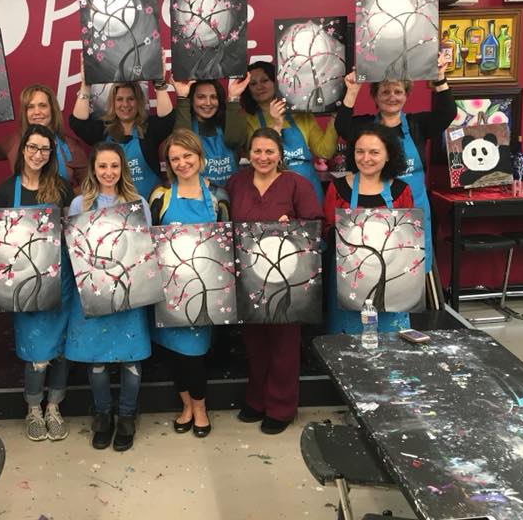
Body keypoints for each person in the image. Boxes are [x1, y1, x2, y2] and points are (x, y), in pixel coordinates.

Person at [226, 128, 323, 434]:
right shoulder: (236, 183)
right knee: (254, 343)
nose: (263, 157)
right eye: (257, 151)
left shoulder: (297, 184)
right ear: (248, 153)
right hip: (248, 278)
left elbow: (316, 227)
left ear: (280, 154)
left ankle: (281, 408)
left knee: (283, 345)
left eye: (269, 152)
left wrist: (293, 226)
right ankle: (256, 400)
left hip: (286, 280)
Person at [65, 143, 153, 452]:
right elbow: (74, 251)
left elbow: (146, 249)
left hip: (130, 292)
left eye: (114, 166)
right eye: (102, 166)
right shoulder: (80, 205)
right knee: (97, 361)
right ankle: (103, 414)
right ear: (93, 169)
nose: (108, 172)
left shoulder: (138, 202)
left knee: (131, 360)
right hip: (94, 294)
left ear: (122, 169)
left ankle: (127, 415)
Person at [335, 53, 454, 274]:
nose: (392, 97)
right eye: (385, 91)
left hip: (414, 209)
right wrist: (352, 90)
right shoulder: (365, 126)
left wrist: (439, 77)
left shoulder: (419, 124)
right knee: (373, 268)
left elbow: (447, 113)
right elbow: (342, 127)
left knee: (410, 271)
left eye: (398, 91)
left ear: (406, 95)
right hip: (376, 211)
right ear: (375, 96)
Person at [0, 124, 75, 442]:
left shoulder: (62, 188)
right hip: (25, 284)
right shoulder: (4, 190)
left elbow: (70, 233)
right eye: (33, 147)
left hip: (60, 279)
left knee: (61, 353)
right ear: (22, 150)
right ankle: (33, 409)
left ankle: (54, 407)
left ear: (51, 154)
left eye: (44, 149)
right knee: (36, 353)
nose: (38, 154)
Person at [148, 129, 229, 438]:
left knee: (194, 354)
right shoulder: (160, 197)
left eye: (187, 156)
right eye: (174, 159)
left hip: (204, 290)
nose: (182, 163)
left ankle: (200, 408)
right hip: (168, 289)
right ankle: (185, 406)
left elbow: (227, 244)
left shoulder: (219, 196)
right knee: (173, 355)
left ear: (200, 158)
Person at [323, 125, 416, 333]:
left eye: (374, 152)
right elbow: (327, 230)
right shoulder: (337, 189)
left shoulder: (401, 190)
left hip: (391, 280)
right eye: (360, 151)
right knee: (347, 343)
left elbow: (410, 237)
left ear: (388, 155)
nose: (366, 158)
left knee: (390, 343)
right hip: (348, 280)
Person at [240, 61, 335, 204]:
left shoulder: (301, 114)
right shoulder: (247, 120)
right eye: (253, 84)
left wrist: (335, 114)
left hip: (308, 189)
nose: (259, 87)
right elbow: (258, 158)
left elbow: (324, 151)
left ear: (277, 82)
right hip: (272, 192)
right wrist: (276, 124)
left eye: (265, 80)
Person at [70, 77, 175, 199]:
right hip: (115, 211)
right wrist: (86, 85)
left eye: (131, 99)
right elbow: (77, 122)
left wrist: (159, 84)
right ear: (112, 103)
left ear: (139, 102)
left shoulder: (150, 129)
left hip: (151, 205)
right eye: (119, 99)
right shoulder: (102, 131)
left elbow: (168, 119)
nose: (125, 104)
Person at [0, 84, 87, 187]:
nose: (36, 112)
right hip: (25, 212)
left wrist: (66, 198)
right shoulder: (14, 141)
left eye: (42, 106)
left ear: (52, 109)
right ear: (25, 113)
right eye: (30, 107)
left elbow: (87, 187)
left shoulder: (71, 147)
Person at [172, 76, 249, 187]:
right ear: (191, 100)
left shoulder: (228, 121)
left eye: (214, 97)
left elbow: (235, 141)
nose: (208, 103)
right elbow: (182, 142)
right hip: (199, 197)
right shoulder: (186, 124)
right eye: (201, 97)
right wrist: (182, 99)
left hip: (233, 192)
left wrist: (233, 99)